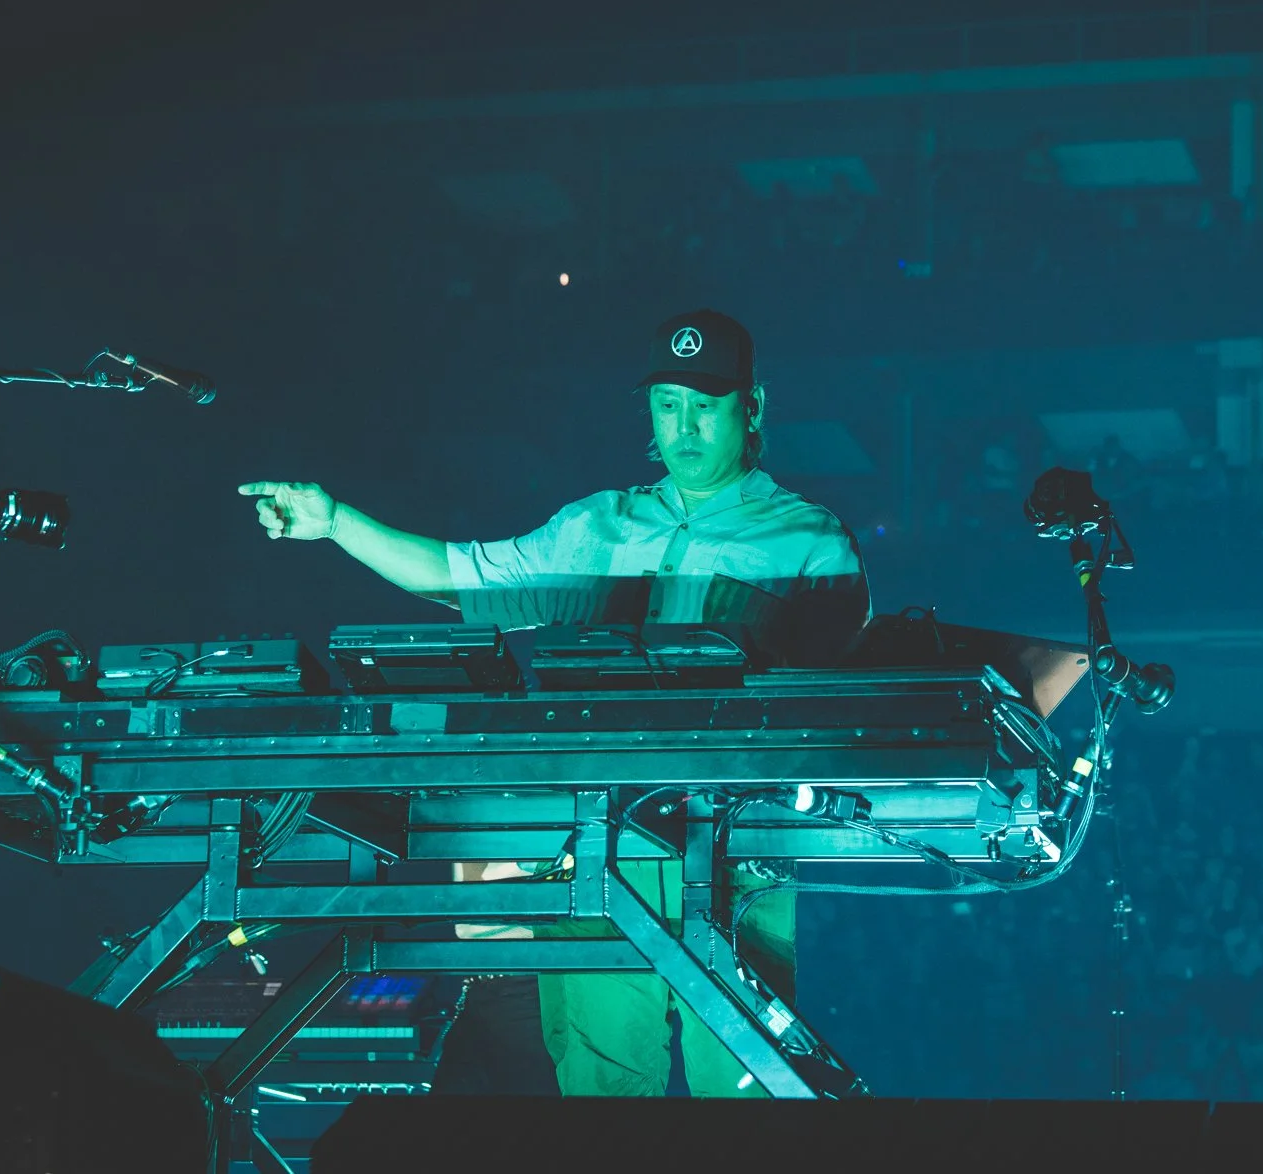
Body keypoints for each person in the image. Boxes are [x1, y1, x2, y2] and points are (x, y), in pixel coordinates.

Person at [239, 309, 870, 1097]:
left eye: (706, 404)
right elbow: (464, 579)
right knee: (602, 1094)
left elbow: (841, 693)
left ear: (752, 408)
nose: (687, 425)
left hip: (734, 842)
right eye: (668, 403)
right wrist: (336, 523)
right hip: (596, 838)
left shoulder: (808, 538)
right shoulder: (594, 528)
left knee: (743, 1089)